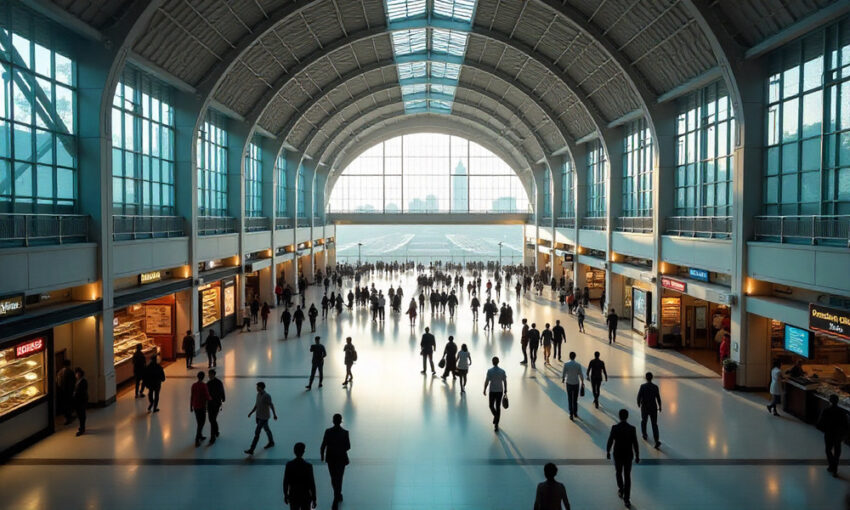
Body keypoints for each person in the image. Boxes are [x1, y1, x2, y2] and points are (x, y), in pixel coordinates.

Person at [606, 409, 640, 509]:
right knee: (627, 476)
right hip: (628, 455)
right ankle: (627, 499)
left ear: (619, 416)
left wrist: (608, 451)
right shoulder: (632, 429)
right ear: (627, 416)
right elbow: (635, 443)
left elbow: (610, 440)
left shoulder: (615, 428)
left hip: (618, 454)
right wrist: (637, 455)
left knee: (618, 472)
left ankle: (621, 488)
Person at [320, 413, 351, 509]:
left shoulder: (328, 431)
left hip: (331, 458)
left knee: (333, 478)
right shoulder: (345, 432)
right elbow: (348, 446)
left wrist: (322, 456)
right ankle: (337, 495)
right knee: (339, 477)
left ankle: (336, 495)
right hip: (341, 458)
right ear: (341, 421)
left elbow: (323, 445)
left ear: (333, 421)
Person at [818, 394, 849, 477]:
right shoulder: (842, 412)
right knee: (837, 451)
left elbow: (820, 423)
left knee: (828, 450)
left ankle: (831, 465)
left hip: (829, 433)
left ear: (830, 401)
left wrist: (824, 430)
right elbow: (846, 424)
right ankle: (835, 467)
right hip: (838, 434)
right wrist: (843, 434)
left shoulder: (826, 410)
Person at [245, 381, 277, 455]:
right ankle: (271, 442)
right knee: (267, 429)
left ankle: (252, 449)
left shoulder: (267, 396)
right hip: (259, 416)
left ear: (261, 387)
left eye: (257, 387)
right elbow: (256, 405)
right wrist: (251, 412)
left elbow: (271, 405)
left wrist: (274, 414)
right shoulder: (258, 395)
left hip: (264, 417)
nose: (256, 388)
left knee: (257, 433)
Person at [283, 442, 317, 510]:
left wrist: (286, 495)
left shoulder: (289, 465)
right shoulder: (308, 466)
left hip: (293, 494)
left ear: (294, 451)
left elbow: (286, 481)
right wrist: (314, 498)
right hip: (305, 495)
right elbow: (312, 483)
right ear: (303, 452)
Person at [637, 372, 662, 448]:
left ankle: (644, 434)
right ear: (652, 378)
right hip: (653, 407)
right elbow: (658, 398)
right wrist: (660, 406)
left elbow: (639, 396)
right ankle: (656, 440)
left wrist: (638, 403)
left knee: (644, 421)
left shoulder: (643, 386)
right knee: (654, 424)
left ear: (646, 378)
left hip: (644, 407)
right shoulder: (655, 387)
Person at [483, 356, 507, 432]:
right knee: (498, 406)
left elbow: (487, 381)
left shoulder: (490, 371)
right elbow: (505, 381)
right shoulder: (502, 371)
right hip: (500, 390)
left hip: (492, 391)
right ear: (498, 362)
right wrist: (506, 389)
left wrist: (484, 389)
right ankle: (496, 421)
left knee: (491, 406)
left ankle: (496, 419)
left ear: (492, 362)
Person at [561, 352, 584, 421]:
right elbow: (581, 374)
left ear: (569, 356)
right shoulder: (578, 365)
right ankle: (575, 412)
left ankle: (571, 414)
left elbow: (564, 373)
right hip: (576, 383)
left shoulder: (566, 364)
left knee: (570, 399)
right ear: (575, 357)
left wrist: (563, 379)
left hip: (569, 383)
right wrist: (582, 381)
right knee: (575, 399)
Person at [190, 371, 210, 447]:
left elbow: (191, 396)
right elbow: (207, 396)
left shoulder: (194, 385)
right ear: (203, 377)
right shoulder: (204, 385)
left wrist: (190, 406)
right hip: (202, 407)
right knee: (201, 423)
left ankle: (200, 436)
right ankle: (197, 439)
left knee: (199, 422)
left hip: (195, 406)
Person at [207, 369, 225, 445]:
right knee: (212, 419)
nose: (209, 376)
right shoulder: (209, 383)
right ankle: (216, 431)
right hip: (210, 404)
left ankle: (212, 437)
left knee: (212, 419)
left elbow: (222, 391)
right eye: (209, 374)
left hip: (216, 403)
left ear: (214, 375)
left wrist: (223, 398)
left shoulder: (218, 383)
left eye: (211, 375)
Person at [72, 367, 88, 436]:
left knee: (81, 414)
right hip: (78, 400)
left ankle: (82, 428)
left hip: (81, 400)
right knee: (80, 414)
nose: (76, 375)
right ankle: (82, 427)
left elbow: (81, 392)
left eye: (77, 374)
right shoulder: (78, 381)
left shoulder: (83, 381)